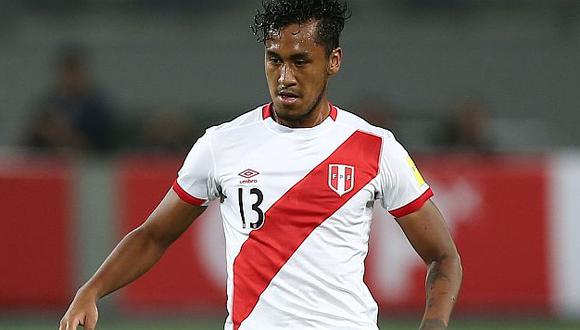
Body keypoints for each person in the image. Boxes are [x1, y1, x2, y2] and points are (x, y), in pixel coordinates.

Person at [59, 1, 462, 329]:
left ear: (333, 61)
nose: (285, 76)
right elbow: (152, 236)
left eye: (301, 61)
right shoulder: (222, 145)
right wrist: (90, 291)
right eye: (274, 60)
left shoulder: (375, 148)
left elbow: (443, 256)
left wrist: (434, 325)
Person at [24, 45, 112, 154]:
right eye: (66, 72)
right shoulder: (49, 103)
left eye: (74, 72)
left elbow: (103, 149)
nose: (71, 79)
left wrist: (64, 136)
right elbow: (28, 143)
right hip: (51, 163)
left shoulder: (98, 107)